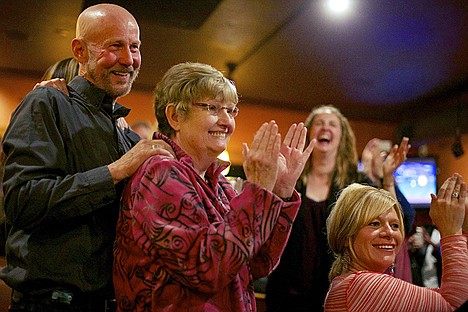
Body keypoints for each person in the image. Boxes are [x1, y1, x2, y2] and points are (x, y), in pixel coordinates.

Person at [0, 4, 171, 311]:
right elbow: (21, 201)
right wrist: (116, 171)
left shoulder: (124, 133)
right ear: (79, 51)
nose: (129, 59)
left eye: (134, 47)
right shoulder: (47, 102)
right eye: (114, 46)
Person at [112, 62, 315, 311]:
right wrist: (259, 190)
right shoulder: (160, 172)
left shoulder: (218, 184)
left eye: (231, 111)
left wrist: (281, 192)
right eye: (213, 108)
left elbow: (257, 264)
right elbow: (207, 268)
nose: (227, 121)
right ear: (175, 116)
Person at [265, 105, 375, 311]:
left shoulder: (358, 182)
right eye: (319, 123)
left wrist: (387, 178)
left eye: (332, 124)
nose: (325, 128)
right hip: (285, 294)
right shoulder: (290, 178)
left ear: (342, 137)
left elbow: (400, 218)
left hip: (337, 296)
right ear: (310, 133)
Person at [324, 173, 468, 311]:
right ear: (345, 236)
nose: (390, 232)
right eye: (374, 223)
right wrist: (451, 231)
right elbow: (455, 304)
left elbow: (445, 296)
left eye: (395, 225)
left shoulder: (352, 283)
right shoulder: (362, 285)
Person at [360, 137, 414, 281]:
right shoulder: (360, 186)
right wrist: (366, 171)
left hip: (397, 260)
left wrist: (388, 177)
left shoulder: (392, 184)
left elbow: (406, 220)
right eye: (383, 156)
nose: (387, 161)